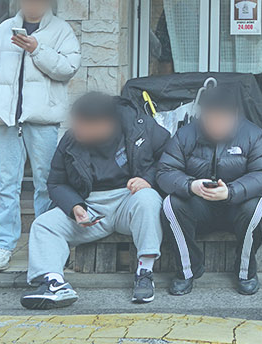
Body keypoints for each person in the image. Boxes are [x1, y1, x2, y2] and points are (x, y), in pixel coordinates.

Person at [21, 92, 170, 309]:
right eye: (76, 122)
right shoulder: (70, 140)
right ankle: (53, 283)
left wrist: (148, 179)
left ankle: (144, 272)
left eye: (84, 125)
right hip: (90, 207)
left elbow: (170, 160)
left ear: (105, 124)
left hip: (128, 201)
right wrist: (74, 206)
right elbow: (55, 183)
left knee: (148, 199)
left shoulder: (141, 127)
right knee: (43, 225)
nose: (77, 129)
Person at [0, 0, 82, 272]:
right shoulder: (3, 30)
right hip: (7, 120)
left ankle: (46, 242)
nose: (31, 4)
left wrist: (38, 50)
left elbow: (68, 68)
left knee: (46, 184)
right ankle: (3, 244)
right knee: (6, 184)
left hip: (43, 120)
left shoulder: (61, 30)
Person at [158, 82, 262, 296]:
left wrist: (231, 191)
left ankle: (245, 271)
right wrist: (191, 186)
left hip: (236, 206)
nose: (216, 123)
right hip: (199, 205)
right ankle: (187, 270)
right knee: (170, 204)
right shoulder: (185, 134)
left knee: (257, 206)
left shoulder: (253, 134)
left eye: (222, 118)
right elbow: (165, 171)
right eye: (211, 117)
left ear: (234, 116)